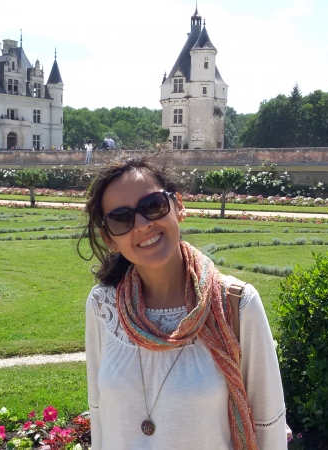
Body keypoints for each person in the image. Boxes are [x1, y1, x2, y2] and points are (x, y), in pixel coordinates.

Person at [81, 156, 288, 449]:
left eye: (152, 206)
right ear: (110, 238)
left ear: (178, 206)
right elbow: (100, 416)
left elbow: (269, 425)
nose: (141, 225)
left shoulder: (236, 305)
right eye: (121, 219)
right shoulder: (104, 306)